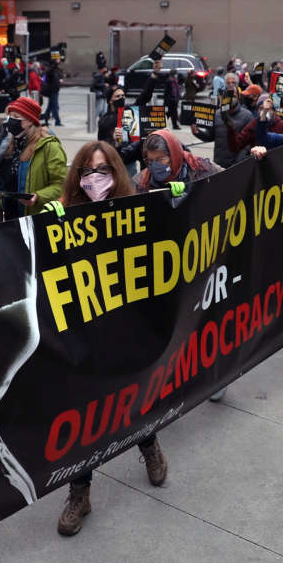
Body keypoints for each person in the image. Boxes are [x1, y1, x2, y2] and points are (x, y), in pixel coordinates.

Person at [49, 141, 169, 536]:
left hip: (125, 330)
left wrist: (180, 199)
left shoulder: (136, 210)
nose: (95, 179)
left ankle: (149, 446)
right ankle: (79, 495)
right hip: (86, 333)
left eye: (103, 170)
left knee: (132, 398)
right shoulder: (69, 214)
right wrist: (49, 221)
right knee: (89, 413)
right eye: (87, 172)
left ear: (116, 173)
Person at [0, 97, 68, 224]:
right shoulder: (8, 144)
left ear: (30, 121)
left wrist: (38, 196)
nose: (11, 121)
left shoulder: (50, 147)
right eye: (9, 116)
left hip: (37, 222)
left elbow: (61, 185)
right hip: (8, 221)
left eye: (16, 117)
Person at [133, 128, 221, 194]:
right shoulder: (142, 182)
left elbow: (227, 180)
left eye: (161, 159)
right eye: (151, 160)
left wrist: (187, 190)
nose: (155, 165)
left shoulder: (200, 167)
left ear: (174, 155)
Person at [194, 77, 254, 168]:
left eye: (233, 96)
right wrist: (197, 132)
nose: (230, 99)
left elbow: (249, 144)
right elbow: (210, 136)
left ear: (238, 97)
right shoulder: (217, 114)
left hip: (238, 166)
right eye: (228, 96)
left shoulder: (247, 116)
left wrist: (238, 162)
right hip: (219, 165)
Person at [40, 60, 63, 126]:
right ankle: (57, 121)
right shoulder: (50, 71)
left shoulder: (56, 70)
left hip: (55, 90)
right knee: (55, 107)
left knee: (50, 106)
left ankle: (45, 119)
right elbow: (44, 80)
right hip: (52, 91)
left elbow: (59, 76)